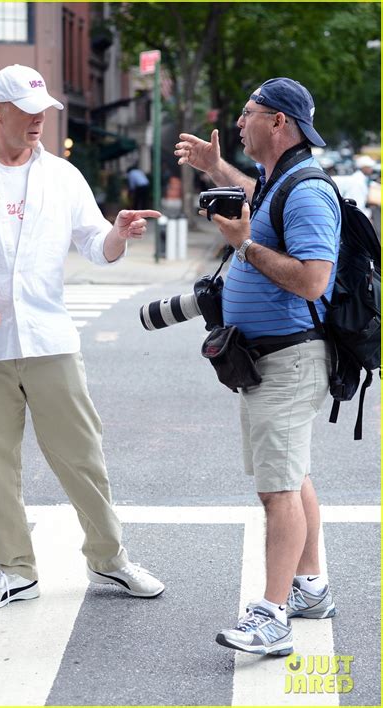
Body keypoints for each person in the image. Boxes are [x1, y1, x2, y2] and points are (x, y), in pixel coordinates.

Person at [0, 64, 164, 612]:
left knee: (83, 455)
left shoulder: (63, 175)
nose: (38, 120)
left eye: (43, 112)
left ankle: (110, 558)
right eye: (26, 111)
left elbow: (95, 244)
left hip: (51, 338)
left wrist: (118, 234)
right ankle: (15, 570)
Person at [175, 77, 340, 656]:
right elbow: (256, 200)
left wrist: (244, 247)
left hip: (290, 358)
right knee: (290, 476)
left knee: (277, 491)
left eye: (247, 113)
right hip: (270, 360)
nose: (238, 122)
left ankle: (272, 616)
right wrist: (220, 170)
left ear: (279, 123)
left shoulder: (307, 191)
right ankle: (310, 588)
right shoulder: (279, 179)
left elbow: (313, 279)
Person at [333, 154, 376, 219]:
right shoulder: (358, 182)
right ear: (364, 167)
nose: (371, 169)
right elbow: (358, 206)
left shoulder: (362, 180)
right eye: (369, 167)